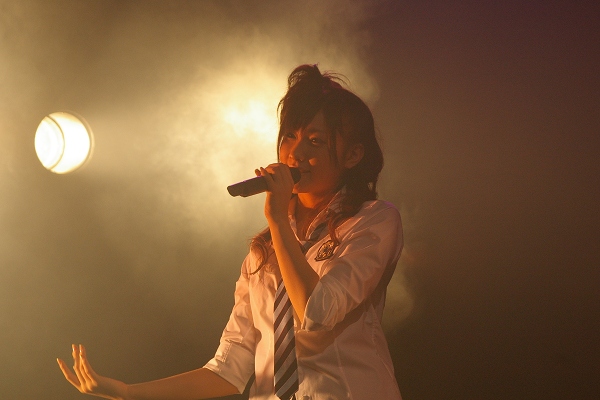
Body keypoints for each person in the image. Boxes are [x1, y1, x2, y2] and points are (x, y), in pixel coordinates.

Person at [58, 64, 404, 400]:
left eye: (315, 141)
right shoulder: (263, 251)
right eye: (289, 137)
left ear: (353, 155)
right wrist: (129, 392)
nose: (295, 153)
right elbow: (228, 368)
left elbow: (317, 312)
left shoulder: (373, 221)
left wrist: (277, 218)